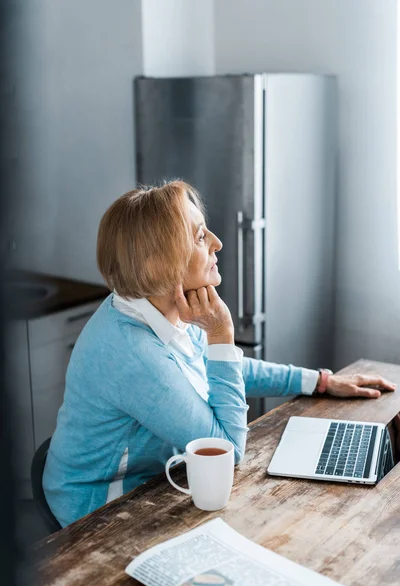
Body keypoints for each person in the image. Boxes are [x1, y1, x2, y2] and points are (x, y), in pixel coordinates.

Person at [43, 181, 396, 527]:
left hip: (153, 480)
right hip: (99, 511)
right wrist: (220, 333)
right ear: (156, 266)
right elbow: (228, 450)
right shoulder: (133, 353)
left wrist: (320, 381)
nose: (218, 243)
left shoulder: (154, 305)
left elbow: (222, 365)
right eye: (199, 237)